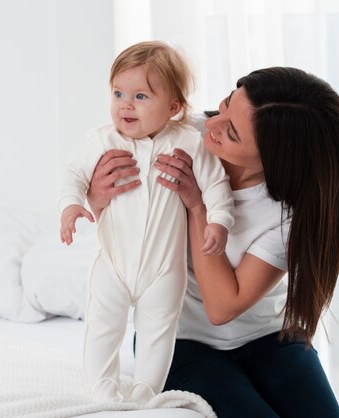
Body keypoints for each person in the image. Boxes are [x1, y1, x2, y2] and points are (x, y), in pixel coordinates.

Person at [86, 66, 339, 417]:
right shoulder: (180, 136)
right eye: (225, 105)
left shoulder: (288, 212)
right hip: (180, 342)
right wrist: (96, 194)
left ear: (274, 160)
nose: (212, 124)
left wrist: (199, 207)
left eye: (232, 133)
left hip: (268, 339)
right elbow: (116, 204)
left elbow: (223, 306)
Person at [58, 41, 234, 403]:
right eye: (119, 92)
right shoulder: (102, 139)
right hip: (114, 263)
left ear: (173, 107)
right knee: (103, 326)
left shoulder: (188, 142)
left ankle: (143, 392)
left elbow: (216, 184)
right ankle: (102, 390)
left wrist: (219, 221)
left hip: (163, 270)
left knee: (158, 331)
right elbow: (74, 175)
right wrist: (71, 205)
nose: (125, 104)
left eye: (141, 96)